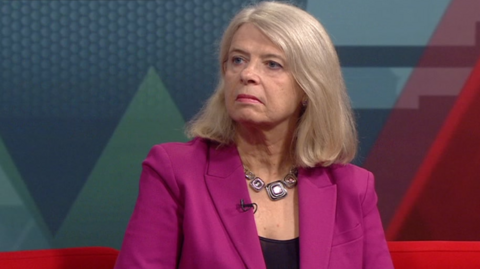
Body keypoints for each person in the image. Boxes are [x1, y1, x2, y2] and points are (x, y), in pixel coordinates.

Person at [114, 1, 393, 268]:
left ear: (309, 86)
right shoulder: (175, 172)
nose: (247, 74)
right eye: (238, 60)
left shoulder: (353, 189)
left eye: (272, 64)